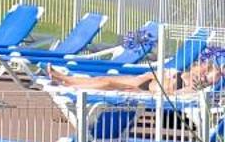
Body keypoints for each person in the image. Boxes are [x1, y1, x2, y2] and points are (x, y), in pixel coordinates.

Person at [46, 54, 224, 94]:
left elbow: (175, 94)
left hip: (149, 91)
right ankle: (65, 80)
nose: (201, 66)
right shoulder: (185, 73)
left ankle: (68, 85)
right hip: (147, 80)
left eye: (204, 68)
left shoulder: (194, 86)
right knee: (103, 79)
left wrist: (218, 73)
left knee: (107, 85)